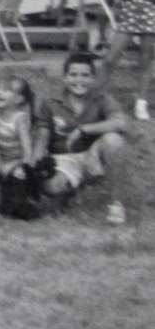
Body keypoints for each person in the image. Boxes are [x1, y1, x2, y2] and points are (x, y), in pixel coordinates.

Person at [32, 52, 130, 225]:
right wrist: (36, 161)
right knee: (52, 187)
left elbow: (121, 122)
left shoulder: (101, 99)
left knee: (114, 140)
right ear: (64, 78)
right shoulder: (51, 102)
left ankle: (116, 204)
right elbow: (42, 134)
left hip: (92, 155)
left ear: (93, 79)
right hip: (64, 157)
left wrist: (84, 129)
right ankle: (70, 191)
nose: (79, 80)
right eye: (73, 75)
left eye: (85, 75)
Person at [103, 0, 155, 119]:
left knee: (146, 59)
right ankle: (98, 96)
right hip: (128, 16)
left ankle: (141, 102)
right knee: (110, 57)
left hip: (150, 15)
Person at [0, 75, 36, 182]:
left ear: (19, 99)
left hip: (22, 159)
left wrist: (14, 164)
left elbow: (28, 151)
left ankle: (23, 194)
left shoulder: (19, 119)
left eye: (6, 90)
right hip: (4, 157)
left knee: (18, 174)